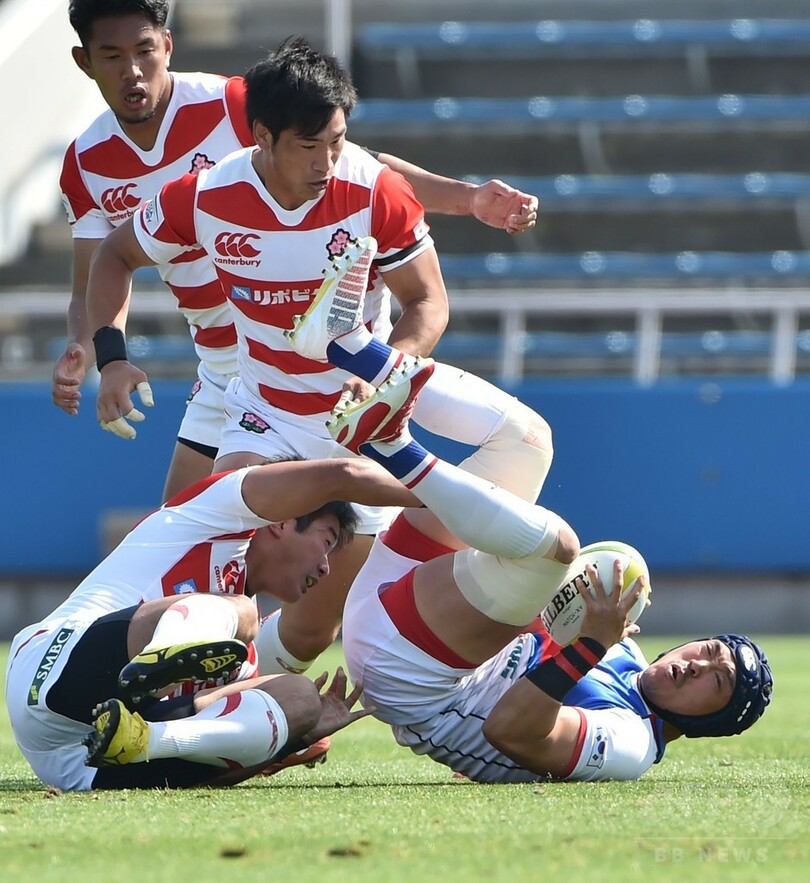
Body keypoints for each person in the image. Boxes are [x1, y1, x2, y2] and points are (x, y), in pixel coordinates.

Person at [83, 34, 537, 679]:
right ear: (262, 137)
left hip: (360, 419)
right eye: (309, 146)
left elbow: (428, 302)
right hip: (265, 415)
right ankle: (148, 693)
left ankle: (264, 688)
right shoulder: (207, 195)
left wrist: (385, 374)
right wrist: (112, 356)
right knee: (211, 571)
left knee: (311, 630)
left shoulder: (375, 190)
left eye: (337, 141)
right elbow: (115, 253)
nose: (327, 161)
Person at [283, 267, 775, 782]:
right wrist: (576, 618)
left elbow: (510, 733)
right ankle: (349, 347)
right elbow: (511, 618)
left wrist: (587, 645)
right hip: (404, 598)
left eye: (716, 682)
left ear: (708, 721)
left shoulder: (631, 744)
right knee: (527, 441)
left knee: (555, 548)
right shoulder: (623, 648)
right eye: (709, 652)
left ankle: (389, 444)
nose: (697, 665)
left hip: (409, 670)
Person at [54, 0, 539, 504]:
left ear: (168, 46)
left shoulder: (233, 104)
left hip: (328, 361)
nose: (132, 71)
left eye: (144, 50)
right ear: (84, 61)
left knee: (347, 520)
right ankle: (450, 508)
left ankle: (458, 510)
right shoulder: (86, 164)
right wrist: (90, 352)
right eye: (112, 56)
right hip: (228, 362)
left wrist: (468, 199)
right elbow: (97, 274)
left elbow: (357, 168)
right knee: (187, 523)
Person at [4, 455, 421, 791]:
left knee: (300, 697)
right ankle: (157, 660)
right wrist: (438, 494)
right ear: (283, 520)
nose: (326, 567)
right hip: (50, 669)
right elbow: (343, 473)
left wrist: (292, 737)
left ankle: (144, 737)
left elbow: (220, 769)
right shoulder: (209, 518)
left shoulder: (242, 659)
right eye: (326, 541)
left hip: (84, 767)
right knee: (243, 614)